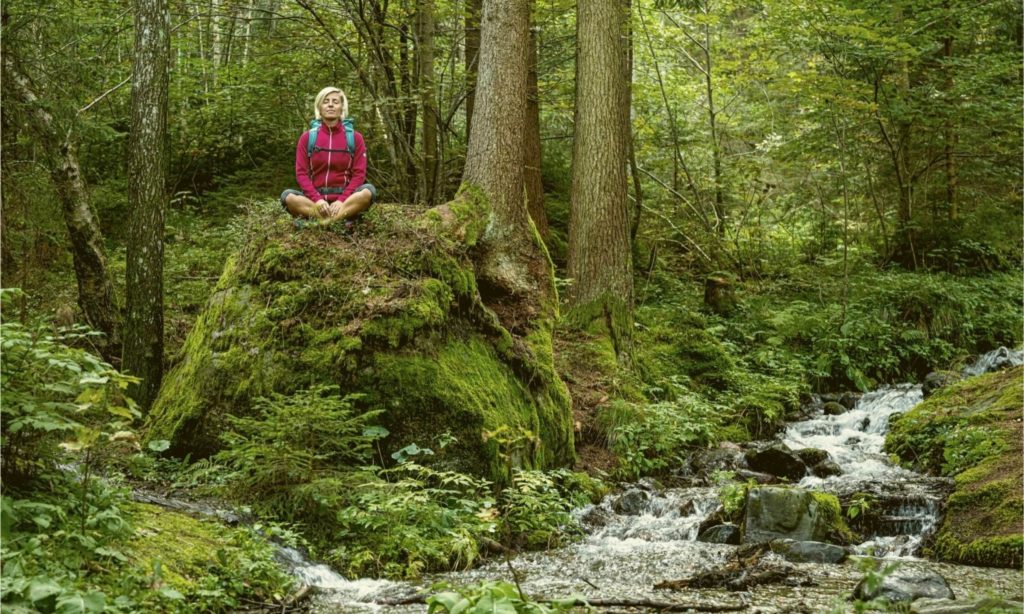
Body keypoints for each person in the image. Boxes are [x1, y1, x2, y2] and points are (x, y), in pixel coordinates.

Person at [280, 86, 377, 225]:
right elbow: (301, 174)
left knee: (368, 191)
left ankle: (322, 223)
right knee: (287, 196)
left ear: (342, 108)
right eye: (326, 101)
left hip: (346, 201)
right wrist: (318, 200)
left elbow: (359, 175)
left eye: (335, 102)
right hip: (315, 202)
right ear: (319, 107)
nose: (331, 104)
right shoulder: (307, 138)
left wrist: (341, 200)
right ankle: (339, 221)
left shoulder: (355, 138)